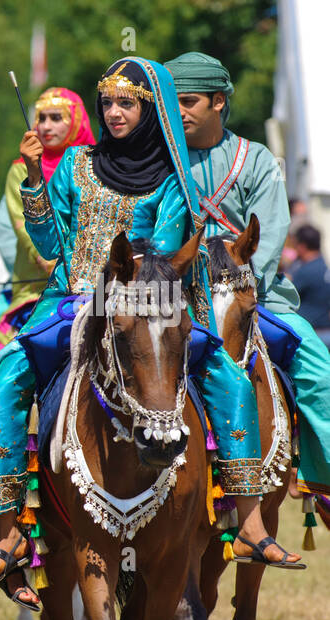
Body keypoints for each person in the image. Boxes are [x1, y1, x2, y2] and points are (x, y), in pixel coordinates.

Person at [0, 57, 301, 610]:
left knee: (228, 374)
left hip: (145, 304)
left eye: (127, 103)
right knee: (2, 380)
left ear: (150, 110)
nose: (115, 112)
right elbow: (52, 244)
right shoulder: (76, 164)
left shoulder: (172, 183)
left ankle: (247, 517)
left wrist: (124, 290)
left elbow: (167, 256)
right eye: (107, 103)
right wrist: (35, 182)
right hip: (69, 302)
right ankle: (7, 531)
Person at [167, 51, 330, 499]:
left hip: (252, 294)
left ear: (219, 102)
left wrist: (238, 284)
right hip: (179, 295)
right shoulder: (161, 159)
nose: (178, 111)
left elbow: (271, 231)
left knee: (320, 371)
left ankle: (322, 477)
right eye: (171, 100)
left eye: (190, 101)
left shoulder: (255, 159)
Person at [0, 87, 94, 348]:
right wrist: (59, 272)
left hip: (96, 289)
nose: (46, 126)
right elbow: (26, 232)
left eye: (56, 118)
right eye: (41, 118)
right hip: (35, 292)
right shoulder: (21, 170)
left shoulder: (95, 166)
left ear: (76, 121)